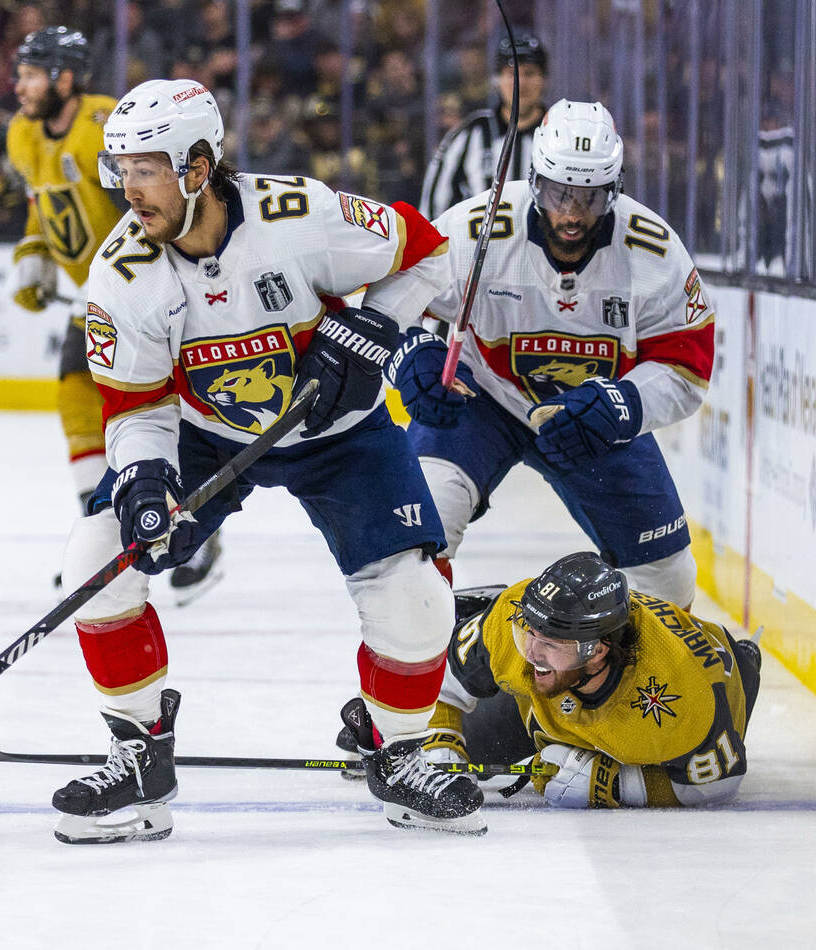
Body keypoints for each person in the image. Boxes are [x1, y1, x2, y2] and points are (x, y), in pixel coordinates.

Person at [51, 77, 485, 844]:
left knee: (417, 598)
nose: (129, 190)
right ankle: (140, 757)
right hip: (205, 436)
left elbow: (430, 252)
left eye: (145, 169)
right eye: (121, 170)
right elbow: (134, 405)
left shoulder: (300, 216)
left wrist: (372, 328)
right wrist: (147, 481)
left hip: (341, 434)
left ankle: (398, 752)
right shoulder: (121, 276)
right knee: (98, 556)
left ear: (195, 168)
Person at [385, 99, 714, 608]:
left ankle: (629, 680)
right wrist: (411, 354)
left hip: (594, 418)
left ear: (615, 189)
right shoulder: (476, 228)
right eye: (560, 193)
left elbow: (689, 366)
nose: (572, 214)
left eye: (590, 196)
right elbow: (388, 303)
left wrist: (623, 405)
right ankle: (424, 680)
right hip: (481, 400)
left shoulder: (656, 253)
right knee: (410, 541)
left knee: (668, 582)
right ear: (535, 181)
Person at [7, 27, 224, 596]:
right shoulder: (21, 136)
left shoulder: (102, 127)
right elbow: (43, 206)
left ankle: (198, 530)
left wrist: (130, 281)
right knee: (78, 399)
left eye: (31, 74)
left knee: (169, 415)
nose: (19, 86)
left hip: (149, 289)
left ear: (65, 77)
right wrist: (34, 252)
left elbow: (154, 207)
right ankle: (101, 533)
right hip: (97, 294)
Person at [417, 552, 761, 808]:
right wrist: (439, 739)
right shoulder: (516, 617)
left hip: (710, 682)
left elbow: (715, 785)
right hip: (558, 695)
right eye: (528, 633)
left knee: (742, 672)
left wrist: (613, 785)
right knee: (458, 736)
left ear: (596, 651)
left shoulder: (684, 700)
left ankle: (748, 657)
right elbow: (444, 674)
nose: (532, 652)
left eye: (550, 643)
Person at [419, 31, 549, 221]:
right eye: (511, 74)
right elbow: (434, 207)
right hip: (476, 249)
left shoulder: (560, 135)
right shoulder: (468, 135)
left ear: (544, 80)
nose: (520, 83)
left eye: (529, 73)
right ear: (497, 80)